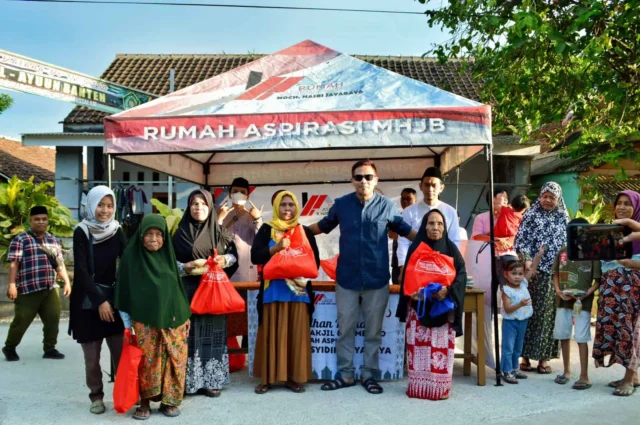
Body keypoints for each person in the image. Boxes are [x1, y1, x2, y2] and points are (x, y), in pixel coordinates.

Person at [308, 159, 416, 394]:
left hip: (376, 279)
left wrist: (432, 242)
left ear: (376, 180)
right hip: (346, 279)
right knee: (345, 329)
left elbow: (405, 230)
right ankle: (345, 375)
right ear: (352, 180)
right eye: (359, 177)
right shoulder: (341, 205)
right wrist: (293, 230)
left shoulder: (387, 206)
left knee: (373, 332)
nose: (363, 181)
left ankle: (369, 375)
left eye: (368, 177)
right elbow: (321, 227)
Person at [115, 214, 192, 419]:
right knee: (146, 363)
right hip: (143, 322)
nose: (153, 239)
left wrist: (185, 317)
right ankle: (145, 403)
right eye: (148, 234)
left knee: (174, 360)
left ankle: (170, 401)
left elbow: (177, 290)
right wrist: (127, 324)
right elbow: (123, 293)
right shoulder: (130, 259)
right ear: (140, 235)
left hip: (173, 321)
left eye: (159, 235)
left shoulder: (168, 258)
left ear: (165, 238)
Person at [251, 191, 320, 394]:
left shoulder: (304, 231)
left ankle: (294, 377)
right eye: (283, 205)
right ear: (276, 207)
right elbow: (256, 257)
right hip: (272, 291)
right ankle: (268, 378)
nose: (287, 209)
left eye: (291, 204)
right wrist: (277, 249)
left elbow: (314, 262)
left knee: (295, 335)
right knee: (271, 334)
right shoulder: (266, 229)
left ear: (297, 207)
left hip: (298, 293)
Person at [172, 189, 238, 398]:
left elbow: (234, 256)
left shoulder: (220, 232)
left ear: (210, 207)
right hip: (188, 291)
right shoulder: (179, 233)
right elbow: (168, 262)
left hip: (213, 291)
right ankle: (187, 381)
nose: (198, 208)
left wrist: (223, 261)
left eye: (202, 204)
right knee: (187, 335)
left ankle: (211, 380)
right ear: (188, 207)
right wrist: (185, 267)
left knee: (213, 334)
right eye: (194, 204)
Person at [69, 186, 126, 414]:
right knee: (92, 358)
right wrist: (100, 301)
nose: (105, 210)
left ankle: (122, 394)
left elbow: (128, 261)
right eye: (100, 205)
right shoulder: (81, 231)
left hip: (112, 301)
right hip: (88, 301)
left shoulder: (116, 230)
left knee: (121, 353)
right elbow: (81, 272)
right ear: (91, 205)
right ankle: (96, 396)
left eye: (110, 206)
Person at [397, 210, 466, 399]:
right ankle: (419, 388)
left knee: (440, 349)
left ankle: (440, 389)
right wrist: (415, 293)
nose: (435, 227)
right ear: (424, 226)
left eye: (439, 224)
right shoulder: (415, 248)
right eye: (431, 223)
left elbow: (461, 275)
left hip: (442, 311)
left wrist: (448, 291)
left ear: (445, 227)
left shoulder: (451, 249)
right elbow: (407, 279)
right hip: (419, 311)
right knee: (418, 347)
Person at [3, 206, 71, 362]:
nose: (41, 222)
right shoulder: (20, 240)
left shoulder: (52, 240)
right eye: (37, 219)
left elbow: (59, 263)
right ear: (30, 221)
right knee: (21, 320)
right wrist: (12, 285)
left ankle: (50, 348)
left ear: (47, 221)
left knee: (53, 318)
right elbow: (14, 264)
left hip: (49, 288)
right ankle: (10, 347)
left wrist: (66, 282)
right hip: (28, 289)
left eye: (44, 219)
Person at [514, 182, 569, 374]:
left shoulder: (563, 217)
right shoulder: (530, 215)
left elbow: (566, 244)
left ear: (558, 199)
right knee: (528, 313)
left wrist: (563, 268)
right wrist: (527, 261)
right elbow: (521, 239)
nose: (547, 200)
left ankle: (544, 359)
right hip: (531, 273)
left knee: (548, 316)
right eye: (544, 196)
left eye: (551, 197)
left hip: (553, 274)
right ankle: (525, 357)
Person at [593, 190, 640, 396]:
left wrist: (632, 263)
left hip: (634, 291)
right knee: (620, 329)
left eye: (627, 204)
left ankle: (629, 380)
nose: (621, 207)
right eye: (618, 202)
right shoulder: (612, 231)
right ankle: (632, 375)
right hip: (614, 290)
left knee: (632, 330)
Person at [552, 218, 601, 390]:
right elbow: (555, 274)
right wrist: (558, 291)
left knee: (581, 337)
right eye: (573, 231)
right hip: (563, 301)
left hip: (584, 303)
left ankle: (584, 376)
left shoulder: (593, 253)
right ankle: (566, 371)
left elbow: (598, 280)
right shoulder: (563, 252)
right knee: (564, 335)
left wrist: (588, 292)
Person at [218, 177, 262, 347]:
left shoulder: (253, 215)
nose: (238, 195)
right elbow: (213, 239)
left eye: (242, 192)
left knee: (247, 317)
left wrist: (257, 220)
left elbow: (260, 242)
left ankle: (247, 352)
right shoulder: (221, 213)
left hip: (247, 275)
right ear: (229, 193)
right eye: (235, 191)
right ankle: (228, 355)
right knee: (225, 317)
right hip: (225, 275)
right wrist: (220, 220)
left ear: (248, 195)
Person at [397, 168, 461, 273]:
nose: (430, 189)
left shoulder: (450, 212)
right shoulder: (409, 212)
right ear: (420, 186)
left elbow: (454, 241)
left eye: (434, 185)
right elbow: (403, 242)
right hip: (415, 266)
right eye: (426, 185)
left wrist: (453, 265)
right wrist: (403, 265)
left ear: (441, 187)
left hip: (442, 266)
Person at [500, 260, 534, 384]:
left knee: (518, 347)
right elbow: (508, 309)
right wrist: (520, 304)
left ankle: (515, 368)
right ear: (506, 274)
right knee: (508, 347)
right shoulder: (506, 290)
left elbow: (532, 269)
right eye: (514, 273)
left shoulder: (524, 284)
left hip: (523, 321)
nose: (517, 277)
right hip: (510, 322)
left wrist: (539, 256)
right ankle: (506, 370)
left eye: (520, 274)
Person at [391, 188, 417, 284]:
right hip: (397, 262)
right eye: (403, 199)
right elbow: (391, 234)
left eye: (408, 199)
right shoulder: (396, 216)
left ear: (415, 200)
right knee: (397, 292)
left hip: (415, 262)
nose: (405, 201)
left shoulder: (418, 217)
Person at [494, 194, 530, 262]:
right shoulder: (522, 219)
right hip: (512, 251)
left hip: (497, 247)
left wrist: (498, 212)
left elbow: (495, 207)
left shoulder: (505, 210)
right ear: (524, 209)